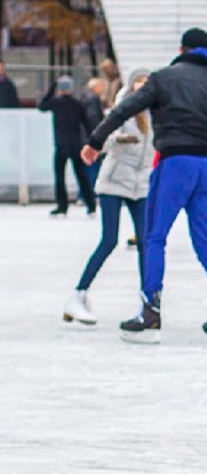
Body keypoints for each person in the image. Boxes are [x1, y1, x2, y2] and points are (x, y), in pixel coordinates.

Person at [84, 26, 207, 343]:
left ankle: (150, 313)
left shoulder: (164, 78)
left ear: (181, 51)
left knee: (154, 236)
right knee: (205, 240)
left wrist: (95, 140)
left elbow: (125, 108)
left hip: (174, 163)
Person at [63, 69, 154, 327]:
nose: (141, 86)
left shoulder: (157, 113)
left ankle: (148, 301)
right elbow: (105, 134)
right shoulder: (122, 107)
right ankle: (78, 295)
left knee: (147, 243)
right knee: (109, 240)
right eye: (138, 81)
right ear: (131, 84)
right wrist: (118, 139)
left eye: (146, 82)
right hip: (114, 182)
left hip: (141, 185)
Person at [40, 76, 96, 216]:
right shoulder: (78, 104)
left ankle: (62, 205)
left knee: (60, 176)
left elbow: (42, 106)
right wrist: (92, 142)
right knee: (81, 175)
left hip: (61, 144)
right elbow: (86, 124)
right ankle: (91, 204)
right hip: (76, 144)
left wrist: (51, 89)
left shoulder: (56, 103)